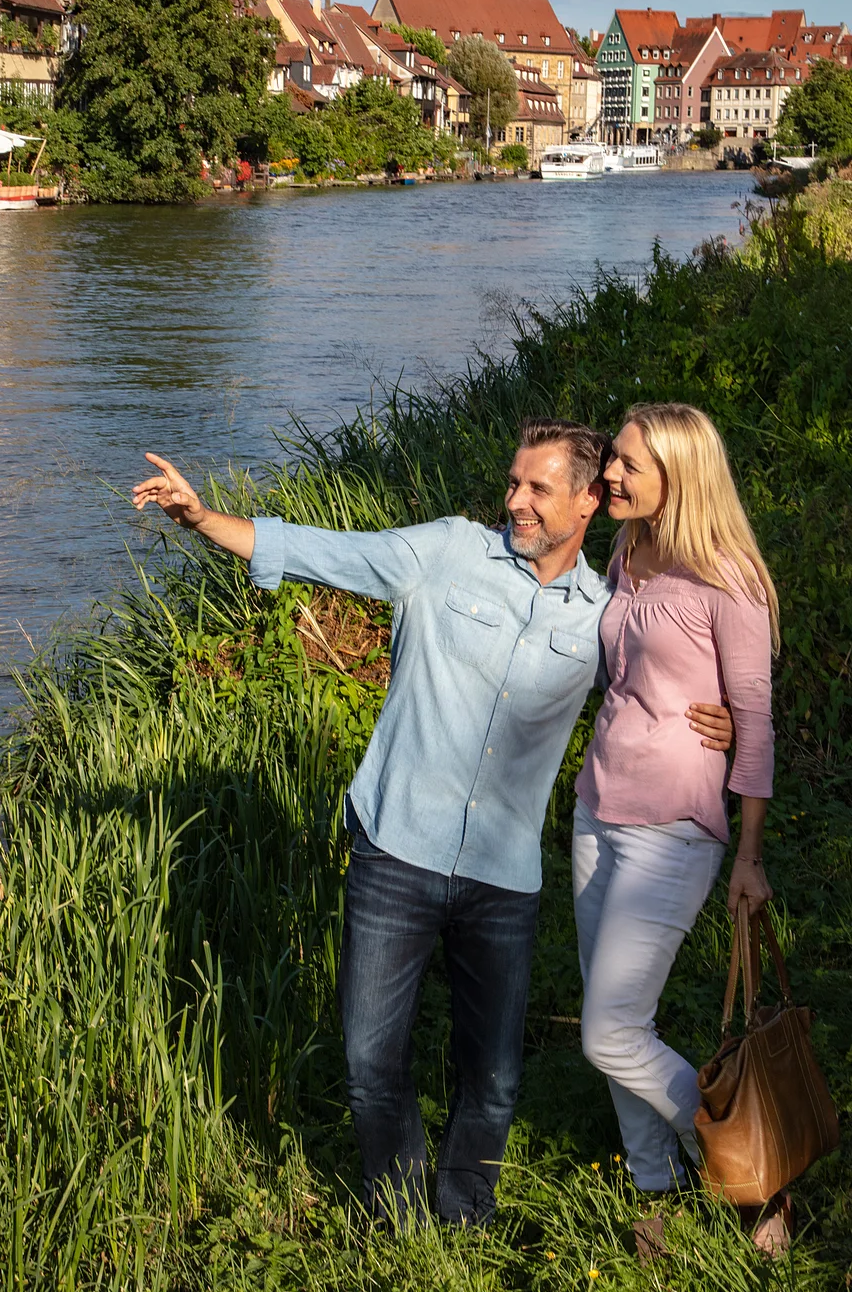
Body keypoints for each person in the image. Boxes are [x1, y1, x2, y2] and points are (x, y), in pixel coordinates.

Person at [132, 420, 732, 1229]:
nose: (513, 500)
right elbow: (326, 551)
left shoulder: (604, 614)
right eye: (513, 482)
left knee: (494, 1080)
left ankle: (465, 1217)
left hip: (503, 875)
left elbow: (657, 691)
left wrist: (723, 722)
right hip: (395, 848)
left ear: (589, 500)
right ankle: (398, 1219)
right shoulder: (446, 550)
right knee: (369, 1061)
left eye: (536, 489)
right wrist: (203, 518)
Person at [571, 403, 781, 1249]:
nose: (609, 475)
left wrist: (752, 856)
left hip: (676, 826)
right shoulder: (629, 549)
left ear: (678, 477)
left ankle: (755, 1165)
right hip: (595, 810)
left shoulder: (728, 579)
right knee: (619, 1023)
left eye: (626, 465)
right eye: (612, 459)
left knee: (609, 1032)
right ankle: (653, 1192)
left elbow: (756, 722)